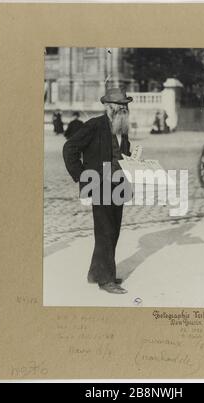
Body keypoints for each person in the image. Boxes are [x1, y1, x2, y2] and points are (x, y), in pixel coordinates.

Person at [63, 87, 133, 294]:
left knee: (114, 231)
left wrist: (135, 164)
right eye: (121, 105)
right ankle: (106, 280)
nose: (125, 108)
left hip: (118, 185)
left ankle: (98, 273)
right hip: (99, 184)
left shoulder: (123, 127)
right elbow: (69, 148)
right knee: (105, 232)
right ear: (109, 107)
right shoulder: (94, 125)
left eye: (126, 105)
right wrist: (82, 175)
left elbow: (123, 155)